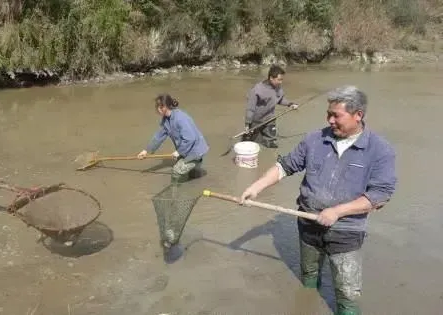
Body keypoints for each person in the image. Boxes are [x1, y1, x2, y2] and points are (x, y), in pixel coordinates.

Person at [239, 85, 397, 315]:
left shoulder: (380, 150)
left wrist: (337, 211)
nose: (330, 120)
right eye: (328, 114)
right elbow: (285, 166)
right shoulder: (315, 139)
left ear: (358, 115)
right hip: (308, 225)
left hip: (346, 233)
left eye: (336, 115)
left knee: (347, 295)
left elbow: (380, 194)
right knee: (309, 279)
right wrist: (255, 187)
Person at [137, 94, 209, 183]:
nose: (156, 110)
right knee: (190, 174)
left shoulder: (180, 118)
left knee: (176, 171)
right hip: (186, 149)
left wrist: (179, 152)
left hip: (196, 151)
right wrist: (146, 151)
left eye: (157, 107)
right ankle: (195, 173)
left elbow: (190, 138)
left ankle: (175, 191)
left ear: (163, 107)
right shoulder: (166, 119)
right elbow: (159, 136)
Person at [243, 65, 299, 148]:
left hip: (270, 119)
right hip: (256, 121)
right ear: (271, 78)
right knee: (251, 143)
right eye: (279, 80)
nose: (281, 82)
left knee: (272, 144)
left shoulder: (278, 87)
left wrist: (290, 104)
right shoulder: (257, 90)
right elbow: (250, 108)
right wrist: (247, 124)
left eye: (282, 80)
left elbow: (280, 100)